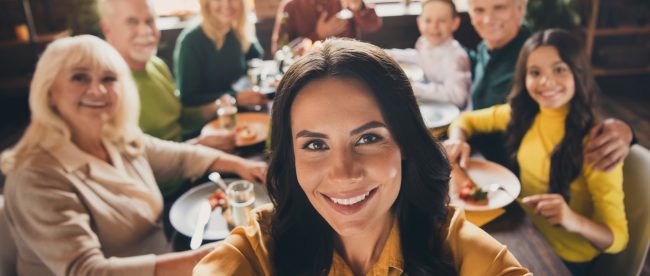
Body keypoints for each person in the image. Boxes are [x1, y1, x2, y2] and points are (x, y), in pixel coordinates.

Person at [193, 39, 530, 275]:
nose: (343, 173)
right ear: (288, 158)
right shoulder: (260, 249)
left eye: (368, 138)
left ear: (406, 145)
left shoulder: (461, 253)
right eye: (314, 145)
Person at [0, 35, 267, 276]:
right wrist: (218, 256)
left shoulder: (114, 138)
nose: (98, 90)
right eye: (79, 77)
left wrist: (242, 166)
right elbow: (88, 271)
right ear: (49, 93)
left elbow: (180, 156)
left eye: (108, 78)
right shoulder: (35, 175)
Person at [444, 29, 628, 276]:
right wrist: (457, 140)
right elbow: (466, 120)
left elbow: (618, 238)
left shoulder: (597, 144)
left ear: (579, 73)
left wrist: (572, 219)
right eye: (535, 72)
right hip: (524, 228)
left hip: (565, 259)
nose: (545, 81)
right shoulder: (525, 114)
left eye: (559, 69)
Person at [467, 0, 633, 170]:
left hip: (523, 174)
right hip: (480, 159)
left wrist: (625, 130)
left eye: (499, 8)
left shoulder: (538, 55)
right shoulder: (483, 49)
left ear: (519, 8)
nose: (487, 19)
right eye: (479, 10)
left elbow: (582, 101)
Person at [99, 0, 235, 151]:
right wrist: (197, 146)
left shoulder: (157, 65)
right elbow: (134, 159)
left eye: (150, 21)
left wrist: (215, 107)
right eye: (132, 22)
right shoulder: (106, 89)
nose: (145, 31)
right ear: (107, 30)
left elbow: (179, 118)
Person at [174, 0, 267, 127]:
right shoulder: (191, 41)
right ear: (206, 4)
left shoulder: (235, 30)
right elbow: (189, 98)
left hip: (243, 118)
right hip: (210, 125)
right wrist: (236, 98)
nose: (227, 4)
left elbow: (256, 57)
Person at [386, 0, 471, 109]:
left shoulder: (457, 57)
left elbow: (458, 98)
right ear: (420, 23)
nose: (434, 26)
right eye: (428, 20)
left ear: (454, 23)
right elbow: (419, 57)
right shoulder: (424, 41)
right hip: (432, 102)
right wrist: (392, 55)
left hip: (453, 112)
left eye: (442, 20)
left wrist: (415, 87)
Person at [271, 0, 382, 53]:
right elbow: (279, 51)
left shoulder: (344, 2)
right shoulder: (290, 7)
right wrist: (318, 35)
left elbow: (373, 25)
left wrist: (358, 6)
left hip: (348, 69)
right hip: (308, 76)